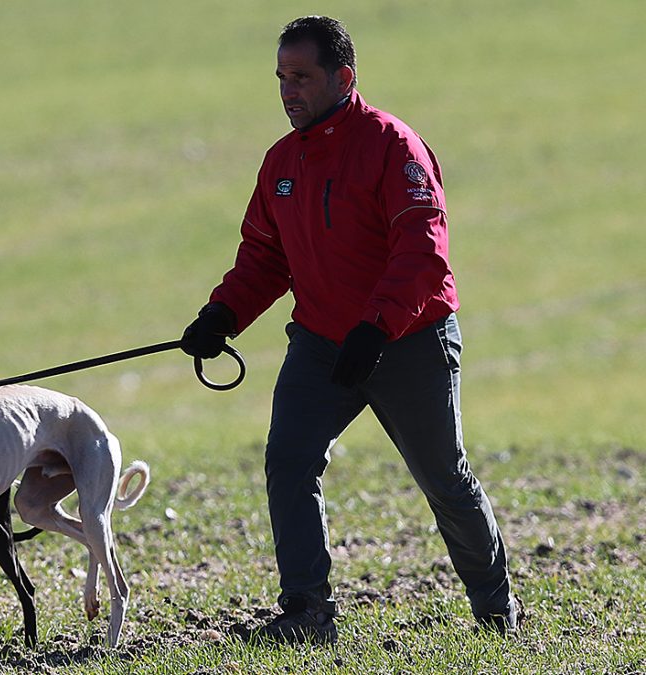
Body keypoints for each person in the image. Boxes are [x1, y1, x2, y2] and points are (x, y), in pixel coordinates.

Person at [181, 15, 518, 644]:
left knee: (444, 477)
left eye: (302, 77)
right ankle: (308, 613)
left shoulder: (393, 145)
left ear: (344, 77)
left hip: (407, 339)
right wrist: (222, 314)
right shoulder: (281, 161)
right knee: (288, 459)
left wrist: (377, 326)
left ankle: (497, 613)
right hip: (320, 343)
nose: (289, 91)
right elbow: (265, 255)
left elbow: (423, 253)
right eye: (282, 78)